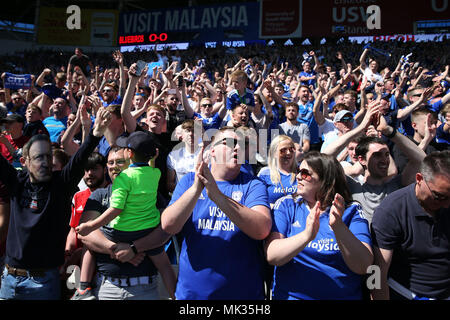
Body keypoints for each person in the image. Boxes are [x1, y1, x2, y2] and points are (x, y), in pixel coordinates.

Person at [0, 107, 111, 300]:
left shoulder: (60, 185)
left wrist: (94, 134)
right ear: (25, 162)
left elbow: (78, 160)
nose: (43, 162)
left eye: (47, 157)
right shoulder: (16, 182)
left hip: (42, 282)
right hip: (9, 279)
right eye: (37, 157)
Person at [160, 127, 272, 299]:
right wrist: (198, 188)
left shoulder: (253, 184)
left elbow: (261, 229)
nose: (237, 148)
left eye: (242, 144)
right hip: (194, 295)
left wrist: (218, 196)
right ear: (211, 150)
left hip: (243, 297)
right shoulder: (189, 181)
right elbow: (169, 225)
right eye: (230, 143)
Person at [74, 131, 176, 300]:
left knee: (162, 260)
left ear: (130, 159)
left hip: (145, 289)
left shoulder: (149, 191)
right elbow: (86, 236)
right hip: (107, 288)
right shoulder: (98, 195)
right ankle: (83, 289)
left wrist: (134, 248)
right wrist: (118, 250)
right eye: (110, 162)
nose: (114, 166)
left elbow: (164, 231)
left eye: (119, 161)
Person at [265, 151, 373, 300]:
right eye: (298, 171)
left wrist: (339, 227)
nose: (297, 176)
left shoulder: (351, 210)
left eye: (305, 173)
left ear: (325, 180)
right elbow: (272, 255)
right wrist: (306, 236)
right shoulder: (286, 205)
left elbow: (364, 265)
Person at [322, 102, 427, 225]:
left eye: (387, 154)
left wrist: (388, 130)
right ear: (361, 160)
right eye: (377, 155)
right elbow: (325, 157)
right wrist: (360, 128)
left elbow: (421, 159)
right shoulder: (353, 187)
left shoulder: (397, 186)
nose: (384, 159)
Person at [371, 151, 450, 300]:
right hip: (406, 294)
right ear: (419, 179)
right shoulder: (391, 211)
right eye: (439, 197)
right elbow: (375, 270)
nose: (447, 204)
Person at [64, 152, 108, 276]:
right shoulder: (78, 196)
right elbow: (73, 231)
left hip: (104, 263)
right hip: (77, 265)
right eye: (86, 169)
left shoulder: (114, 194)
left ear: (104, 170)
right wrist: (68, 255)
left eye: (94, 169)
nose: (89, 173)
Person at [257, 135, 298, 208]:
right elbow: (258, 200)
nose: (288, 153)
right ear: (274, 153)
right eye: (283, 150)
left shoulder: (301, 170)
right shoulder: (265, 173)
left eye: (291, 149)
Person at [166, 119, 201, 194]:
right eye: (187, 131)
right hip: (180, 196)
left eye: (194, 131)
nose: (191, 134)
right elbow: (169, 184)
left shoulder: (207, 155)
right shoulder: (173, 156)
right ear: (182, 136)